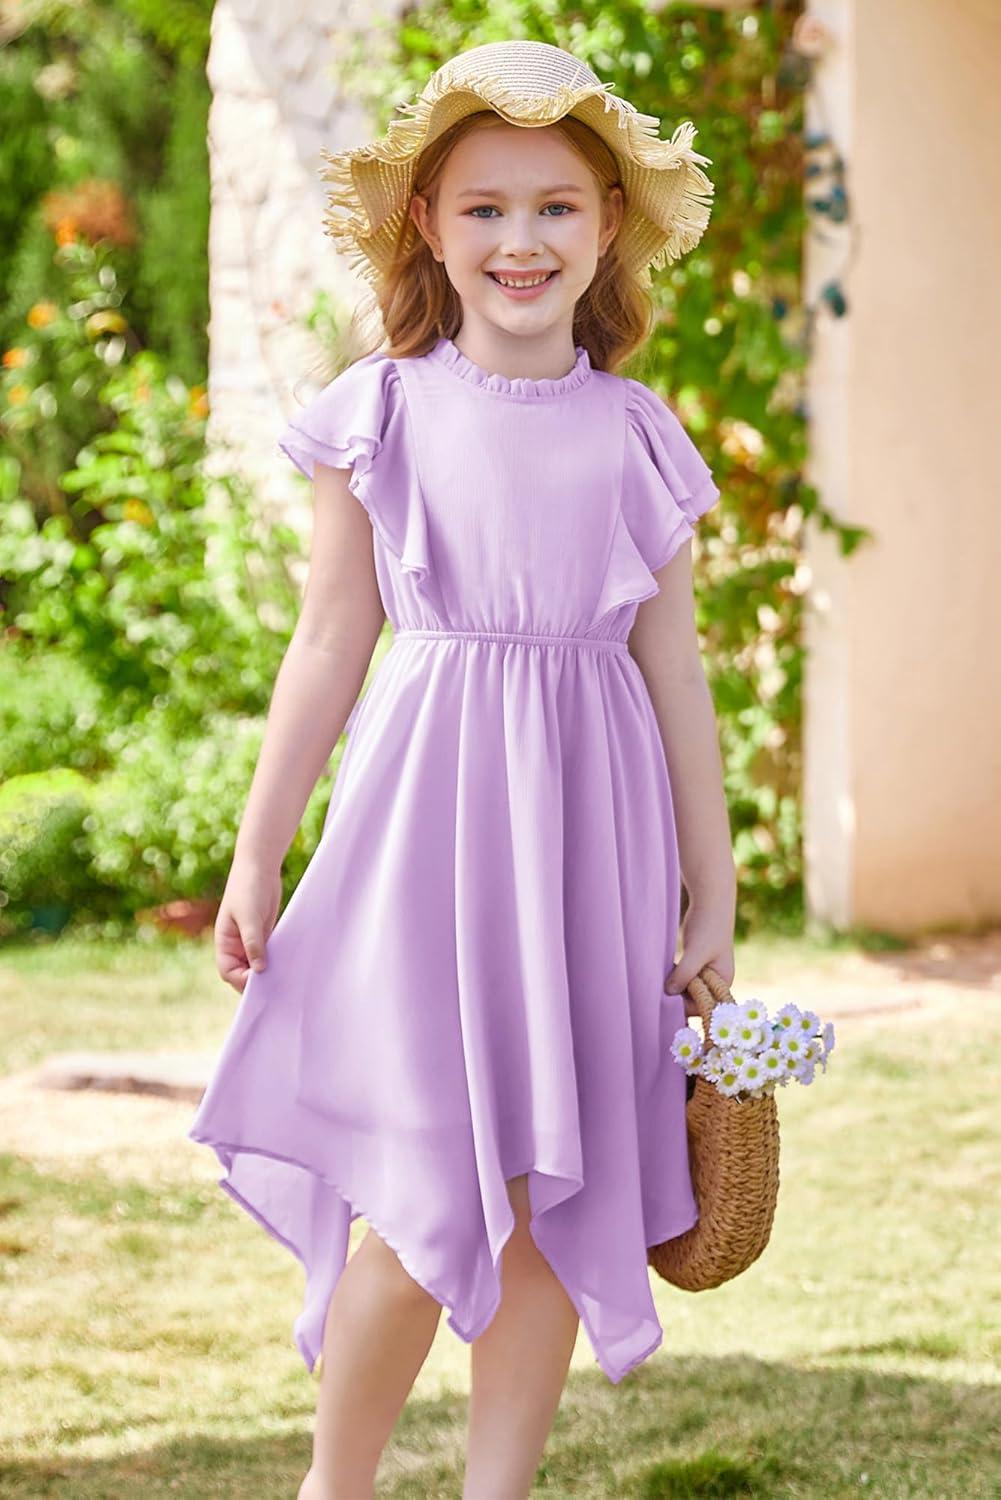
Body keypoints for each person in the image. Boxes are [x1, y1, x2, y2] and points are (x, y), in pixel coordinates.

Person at [187, 38, 737, 1500]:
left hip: (591, 843)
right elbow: (326, 643)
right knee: (422, 1186)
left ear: (608, 228)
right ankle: (336, 1486)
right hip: (425, 832)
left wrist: (714, 887)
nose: (520, 239)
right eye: (485, 207)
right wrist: (257, 853)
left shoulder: (636, 436)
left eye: (556, 206)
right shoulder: (381, 413)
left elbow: (673, 671)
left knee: (552, 1194)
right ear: (428, 225)